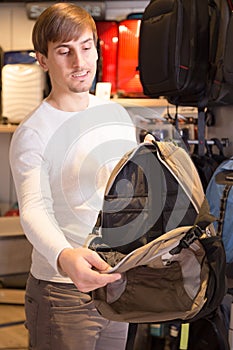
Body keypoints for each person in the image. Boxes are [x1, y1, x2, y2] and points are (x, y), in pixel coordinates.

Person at [9, 3, 137, 349]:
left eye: (86, 47)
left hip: (114, 285)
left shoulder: (116, 115)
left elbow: (127, 196)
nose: (80, 63)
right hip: (60, 293)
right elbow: (34, 208)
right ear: (42, 59)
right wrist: (65, 257)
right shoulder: (34, 132)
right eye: (64, 51)